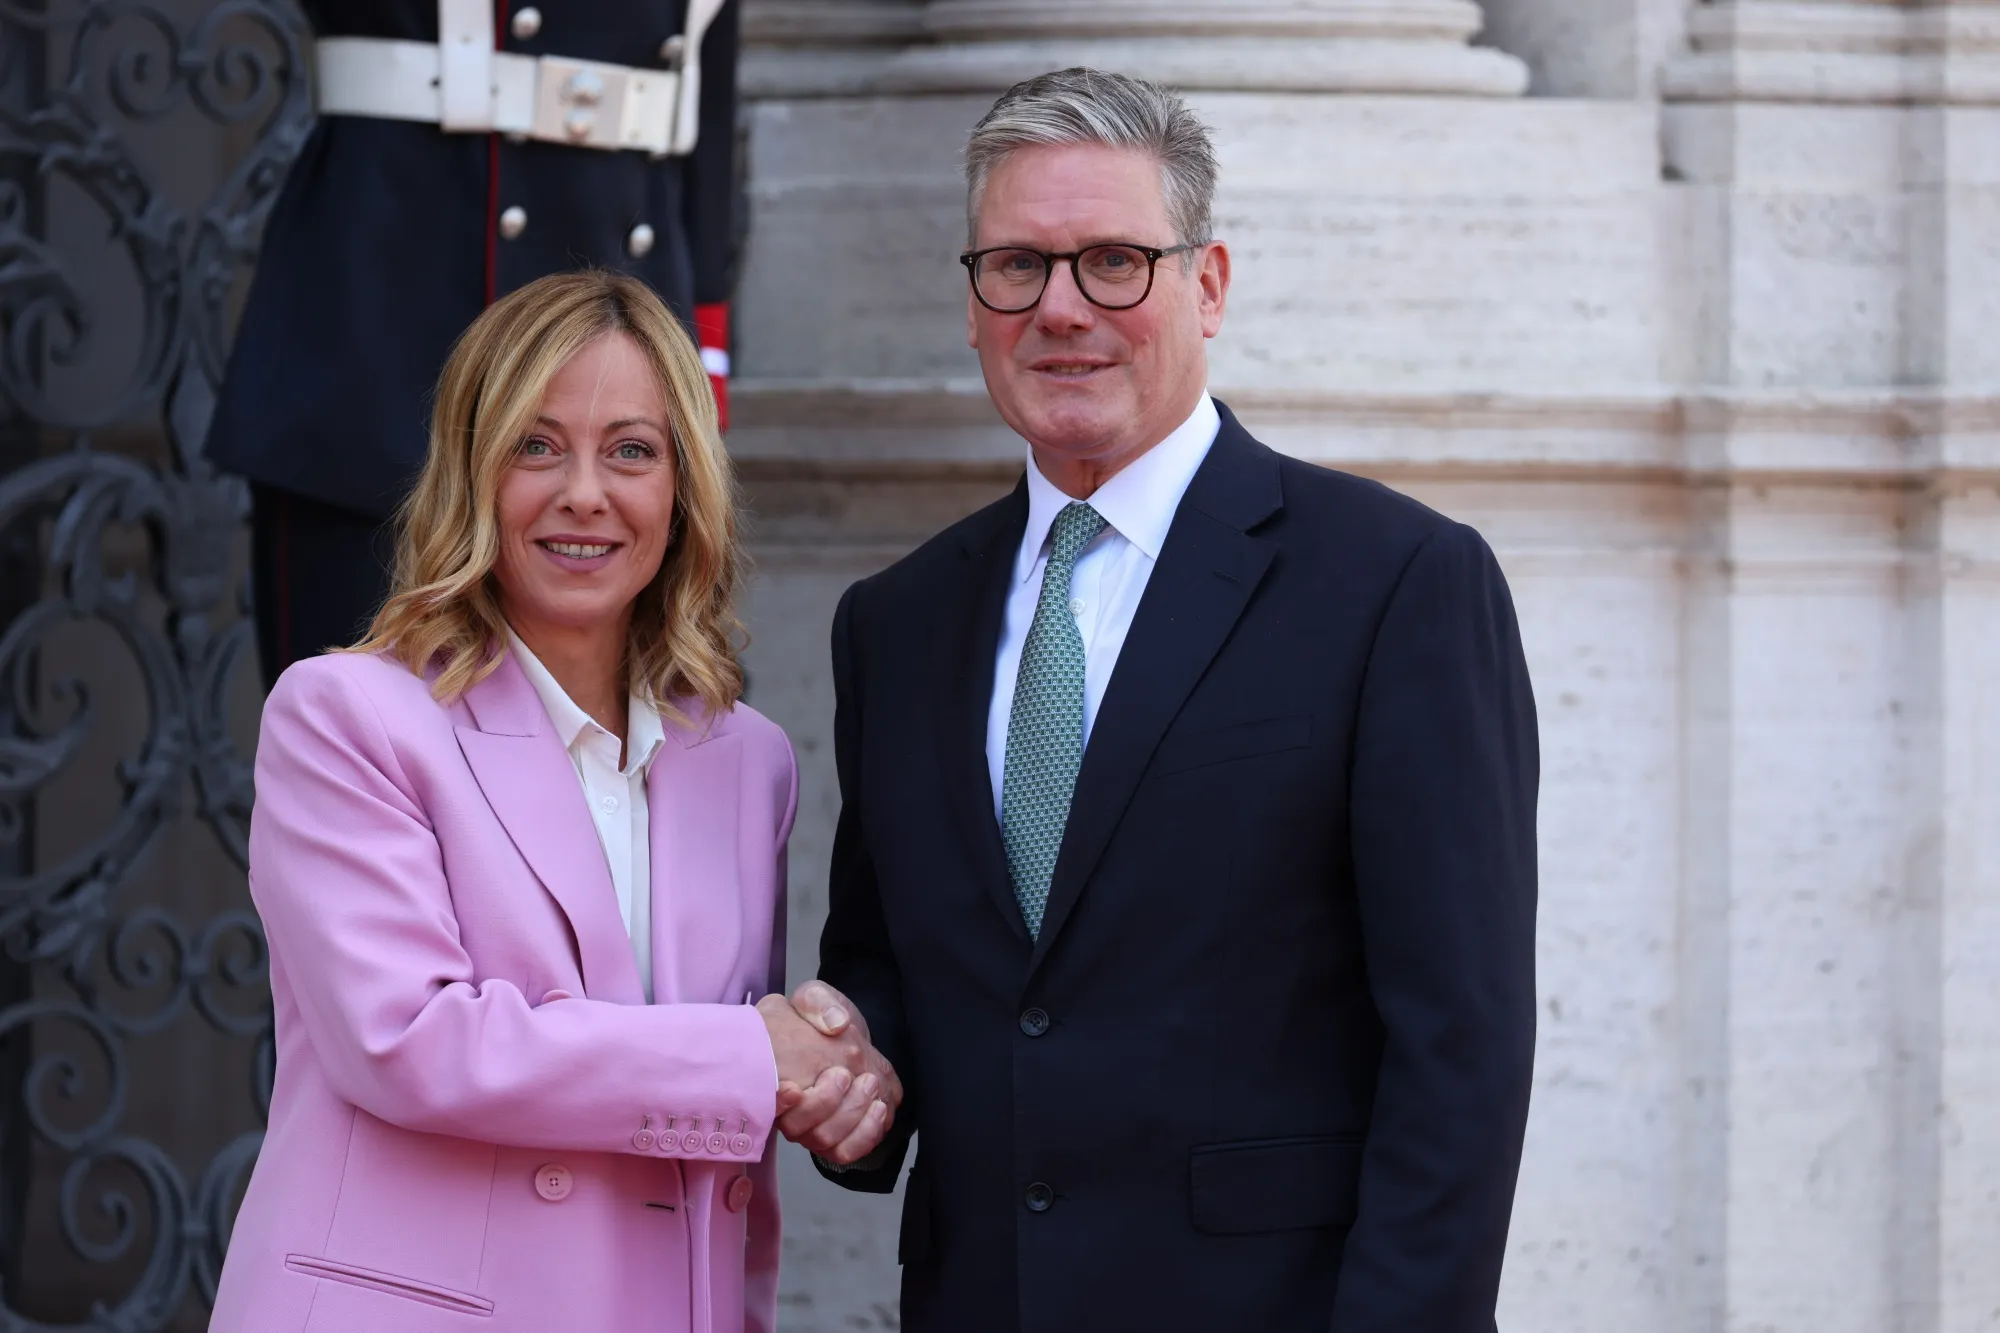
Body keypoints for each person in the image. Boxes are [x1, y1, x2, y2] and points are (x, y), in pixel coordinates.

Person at [799, 68, 1541, 1331]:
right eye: (1017, 267)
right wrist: (849, 1076)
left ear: (1206, 285)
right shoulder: (898, 621)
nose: (1062, 308)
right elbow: (894, 976)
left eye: (1113, 263)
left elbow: (1458, 1054)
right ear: (973, 304)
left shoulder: (1395, 582)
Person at [209, 270, 897, 1333]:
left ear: (682, 485)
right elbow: (413, 1042)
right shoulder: (347, 715)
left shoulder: (745, 760)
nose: (585, 491)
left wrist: (825, 1075)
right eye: (536, 445)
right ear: (473, 473)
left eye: (631, 449)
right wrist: (755, 1055)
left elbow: (725, 1166)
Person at [205, 0, 744, 686]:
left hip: (622, 323)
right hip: (387, 351)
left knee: (629, 734)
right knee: (362, 732)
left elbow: (700, 97)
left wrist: (704, 348)